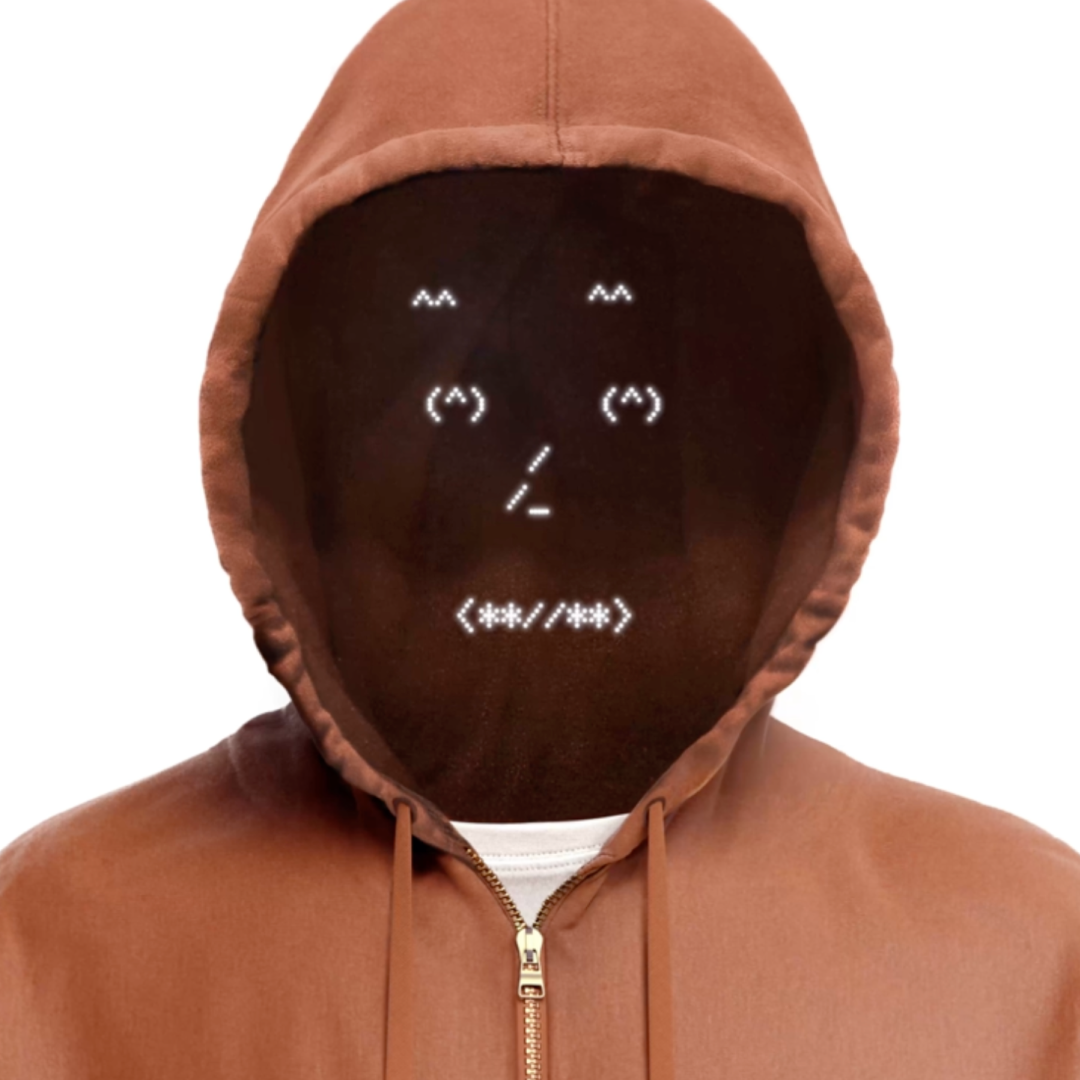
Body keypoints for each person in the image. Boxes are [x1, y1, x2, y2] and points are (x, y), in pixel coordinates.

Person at [2, 0, 1078, 1076]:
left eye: (621, 391)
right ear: (311, 404)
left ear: (773, 412)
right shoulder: (54, 941)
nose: (535, 470)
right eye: (464, 383)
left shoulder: (1026, 954)